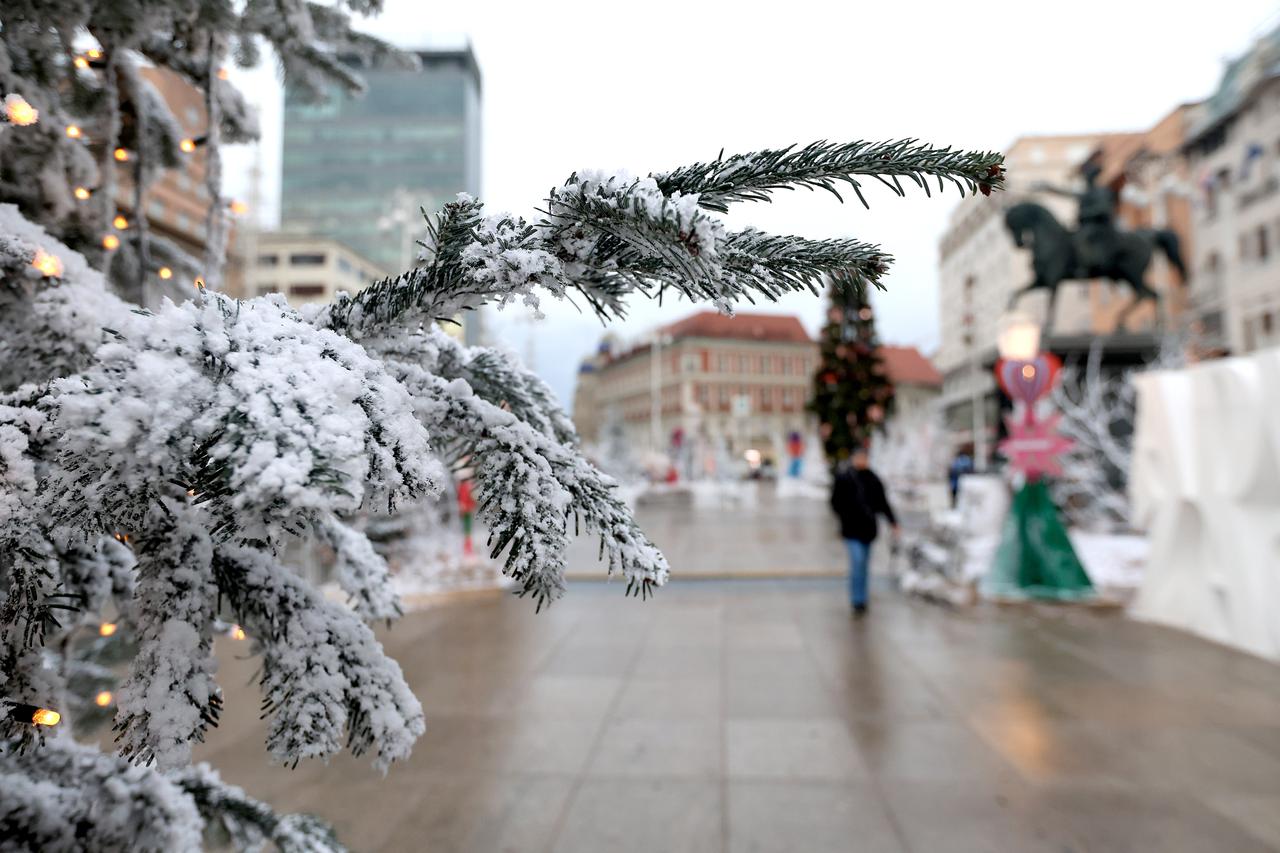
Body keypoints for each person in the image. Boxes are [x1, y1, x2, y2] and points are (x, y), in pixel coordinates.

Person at [830, 447, 898, 615]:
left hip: (868, 529)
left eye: (864, 457)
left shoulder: (873, 479)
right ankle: (857, 600)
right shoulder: (845, 478)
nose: (861, 460)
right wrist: (845, 516)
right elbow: (834, 502)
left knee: (864, 565)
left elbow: (883, 502)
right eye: (858, 457)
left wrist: (893, 521)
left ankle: (862, 598)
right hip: (851, 529)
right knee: (857, 562)